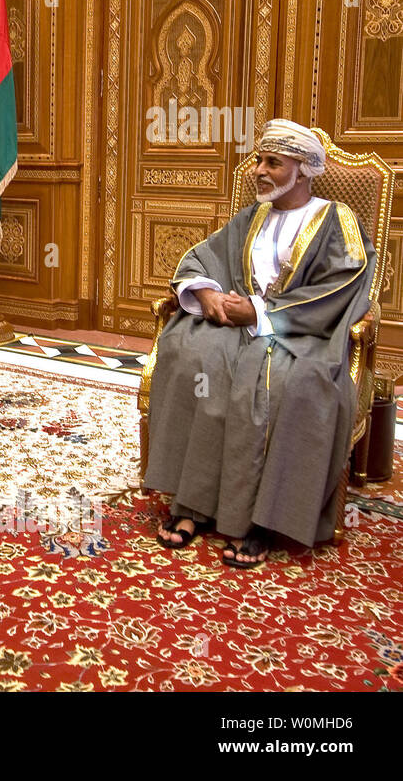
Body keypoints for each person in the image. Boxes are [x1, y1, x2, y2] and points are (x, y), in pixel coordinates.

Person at [144, 119, 375, 568]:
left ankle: (259, 520)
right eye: (258, 160)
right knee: (194, 357)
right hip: (238, 325)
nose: (259, 170)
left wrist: (265, 314)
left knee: (285, 384)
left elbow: (344, 285)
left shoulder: (335, 220)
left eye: (273, 162)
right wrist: (207, 292)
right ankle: (193, 503)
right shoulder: (254, 216)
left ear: (305, 169)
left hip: (300, 333)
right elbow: (202, 256)